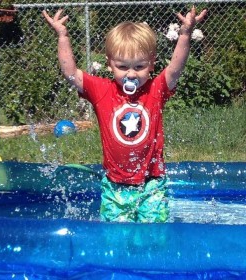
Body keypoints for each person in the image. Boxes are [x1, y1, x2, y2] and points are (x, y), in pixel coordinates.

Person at [42, 7, 207, 223]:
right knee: (116, 239)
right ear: (110, 64)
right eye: (122, 66)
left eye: (139, 66)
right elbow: (71, 74)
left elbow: (175, 69)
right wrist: (63, 36)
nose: (131, 73)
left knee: (153, 237)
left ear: (152, 63)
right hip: (115, 186)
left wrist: (185, 34)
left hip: (152, 183)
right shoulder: (102, 91)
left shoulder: (155, 90)